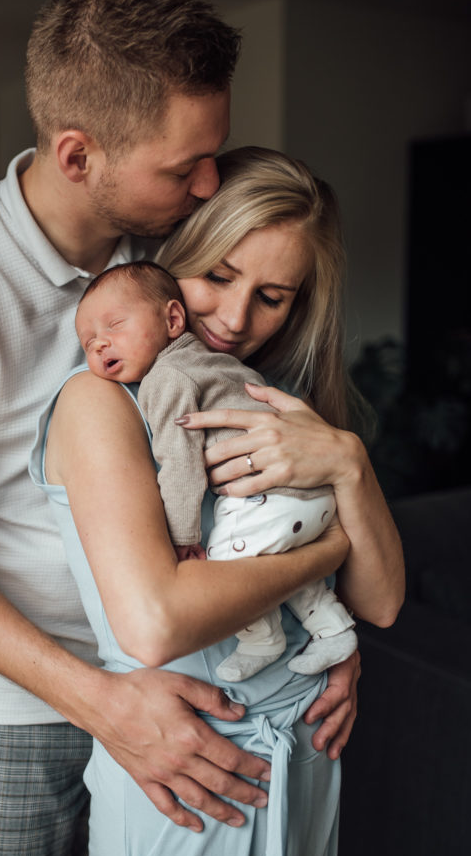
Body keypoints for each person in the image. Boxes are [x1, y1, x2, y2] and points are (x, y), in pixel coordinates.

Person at [0, 0, 365, 856]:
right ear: (78, 153)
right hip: (12, 703)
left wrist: (310, 634)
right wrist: (103, 701)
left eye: (213, 155)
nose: (211, 182)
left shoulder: (181, 256)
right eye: (185, 166)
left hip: (200, 678)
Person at [31, 146, 404, 856]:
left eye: (272, 296)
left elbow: (385, 601)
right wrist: (329, 551)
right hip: (184, 765)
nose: (237, 319)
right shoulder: (103, 404)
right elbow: (158, 620)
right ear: (173, 261)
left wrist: (347, 460)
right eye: (218, 277)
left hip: (308, 748)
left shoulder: (281, 403)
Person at [74, 259, 358, 681]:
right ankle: (332, 628)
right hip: (312, 502)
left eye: (114, 325)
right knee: (274, 555)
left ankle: (262, 639)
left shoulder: (166, 378)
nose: (100, 344)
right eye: (88, 341)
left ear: (172, 319)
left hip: (271, 497)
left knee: (229, 566)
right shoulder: (211, 362)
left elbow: (181, 463)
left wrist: (184, 537)